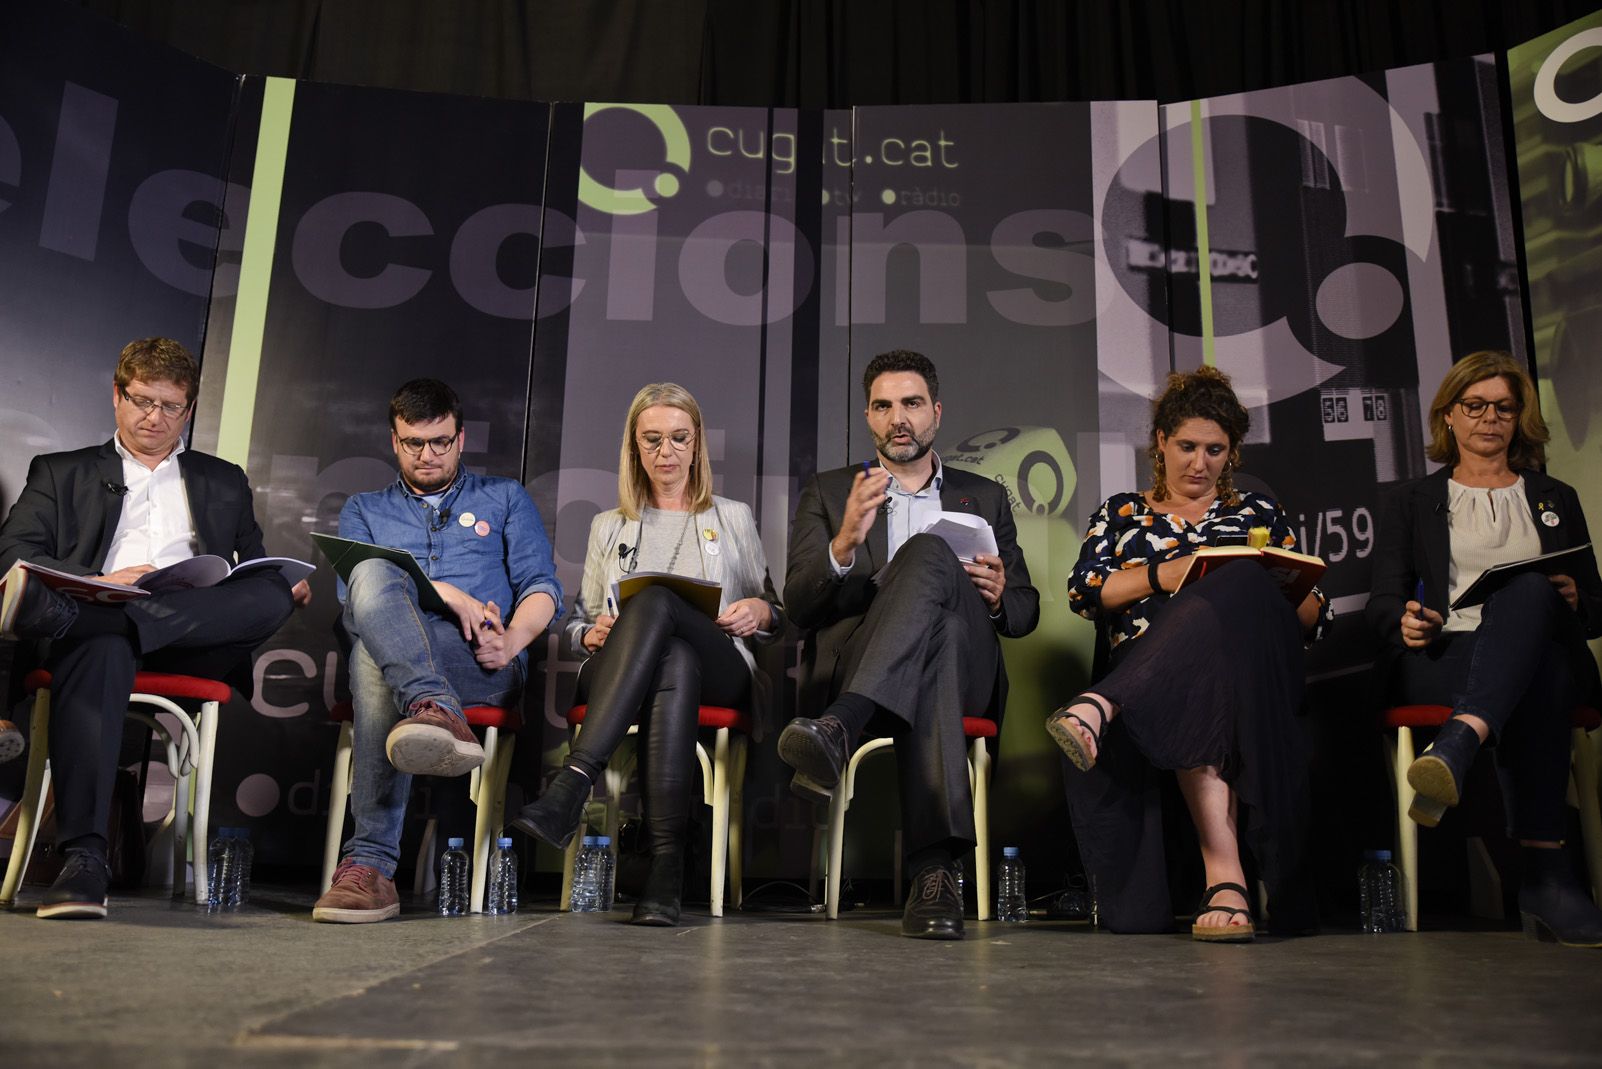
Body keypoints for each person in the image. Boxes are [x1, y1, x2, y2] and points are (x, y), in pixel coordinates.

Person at [0, 337, 309, 919]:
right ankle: (85, 863)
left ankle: (111, 619)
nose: (154, 417)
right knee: (104, 646)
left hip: (192, 641)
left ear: (188, 410)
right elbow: (12, 555)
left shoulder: (222, 479)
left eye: (171, 407)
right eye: (142, 401)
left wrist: (283, 585)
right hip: (98, 636)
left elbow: (252, 566)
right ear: (117, 395)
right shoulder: (60, 471)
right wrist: (104, 579)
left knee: (270, 593)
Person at [1054, 365, 1331, 941]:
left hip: (1251, 679)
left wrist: (1281, 583)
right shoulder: (1122, 514)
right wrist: (1169, 572)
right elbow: (1086, 593)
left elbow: (1313, 618)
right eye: (1186, 446)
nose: (1199, 463)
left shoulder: (1254, 515)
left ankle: (1098, 708)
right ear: (1160, 441)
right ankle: (1223, 878)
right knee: (1136, 924)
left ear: (1231, 452)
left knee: (1241, 584)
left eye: (1214, 449)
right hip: (1154, 679)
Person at [781, 349, 1039, 940]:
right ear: (869, 418)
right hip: (865, 660)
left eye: (912, 404)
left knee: (929, 559)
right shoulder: (829, 491)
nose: (899, 418)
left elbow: (1025, 613)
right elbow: (798, 608)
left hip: (963, 672)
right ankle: (935, 871)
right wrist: (844, 542)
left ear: (936, 413)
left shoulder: (986, 497)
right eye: (884, 406)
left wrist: (999, 594)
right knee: (940, 635)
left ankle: (842, 727)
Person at [512, 382, 782, 925]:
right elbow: (580, 622)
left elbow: (774, 610)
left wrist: (758, 611)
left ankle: (574, 781)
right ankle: (666, 868)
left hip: (721, 666)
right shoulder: (608, 526)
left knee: (660, 605)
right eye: (653, 439)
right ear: (634, 447)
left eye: (680, 438)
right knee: (672, 658)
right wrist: (589, 635)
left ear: (698, 443)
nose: (667, 452)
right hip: (623, 669)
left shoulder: (732, 517)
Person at [1367, 350, 1602, 948]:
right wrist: (1407, 622)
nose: (1489, 419)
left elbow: (1596, 609)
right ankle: (1549, 881)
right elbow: (1383, 604)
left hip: (1528, 662)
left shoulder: (1556, 497)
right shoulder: (1411, 501)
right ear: (1449, 416)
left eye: (1503, 407)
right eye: (1474, 406)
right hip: (1444, 658)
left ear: (1519, 417)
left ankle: (1457, 742)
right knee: (1539, 671)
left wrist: (1574, 598)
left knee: (1532, 605)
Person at [312, 379, 561, 923]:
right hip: (393, 658)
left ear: (461, 437)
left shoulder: (505, 498)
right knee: (372, 609)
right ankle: (433, 706)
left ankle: (371, 866)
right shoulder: (364, 509)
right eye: (413, 444)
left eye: (441, 442)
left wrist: (512, 641)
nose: (428, 455)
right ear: (393, 441)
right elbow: (356, 605)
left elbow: (543, 586)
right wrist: (444, 591)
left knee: (374, 659)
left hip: (478, 662)